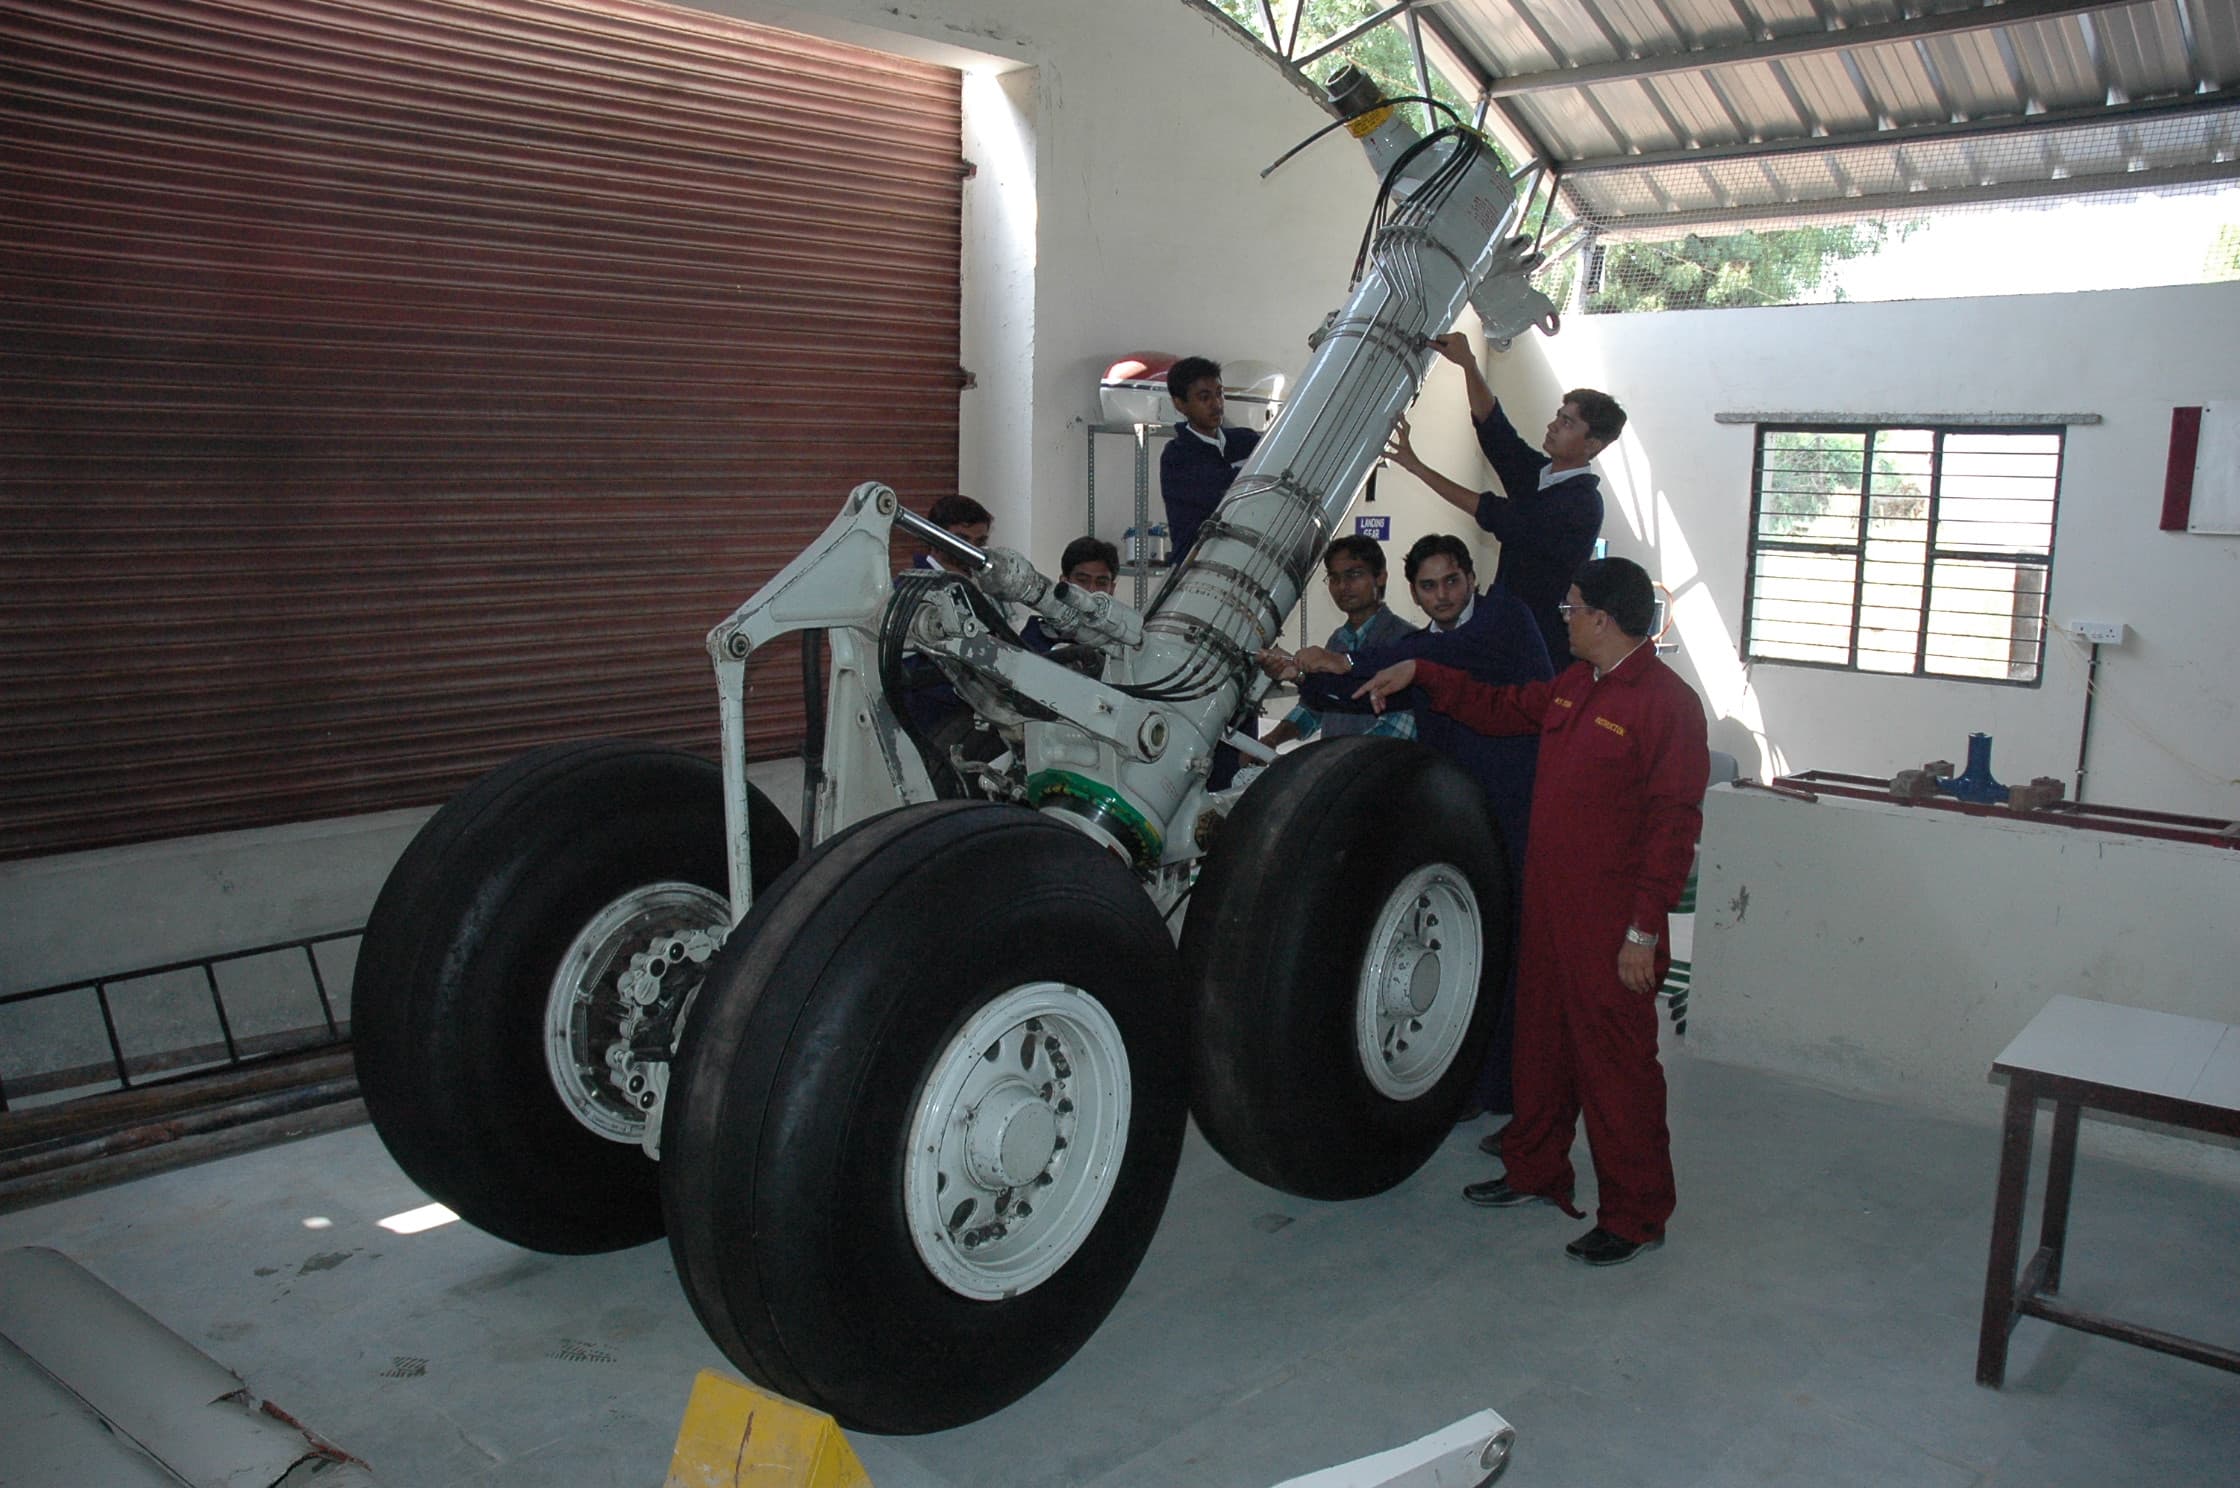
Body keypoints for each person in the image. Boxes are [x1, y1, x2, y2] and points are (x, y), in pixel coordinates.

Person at [1354, 557, 1709, 1268]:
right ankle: (1536, 1169)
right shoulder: (1581, 683)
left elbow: (1675, 827)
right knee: (1540, 1047)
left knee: (1617, 1068)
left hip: (1613, 923)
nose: (1565, 618)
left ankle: (1638, 1213)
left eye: (1572, 608)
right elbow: (1505, 707)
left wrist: (1644, 930)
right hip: (1549, 904)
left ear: (1603, 620)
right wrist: (1423, 673)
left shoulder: (1665, 705)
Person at [1264, 534, 1549, 1121]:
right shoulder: (1421, 647)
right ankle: (1475, 1083)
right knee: (1474, 948)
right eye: (1430, 585)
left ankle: (1520, 1098)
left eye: (1451, 581)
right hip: (1463, 814)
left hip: (1520, 808)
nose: (1442, 595)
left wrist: (1344, 662)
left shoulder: (1502, 621)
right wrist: (1302, 673)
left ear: (1471, 578)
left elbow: (1446, 663)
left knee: (1521, 950)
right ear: (1414, 591)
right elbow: (1376, 691)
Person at [1381, 333, 1624, 668]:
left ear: (1592, 444)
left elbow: (1496, 514)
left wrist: (1418, 467)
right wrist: (1468, 364)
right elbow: (1496, 431)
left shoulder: (1581, 504)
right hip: (1505, 622)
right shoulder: (1541, 474)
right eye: (1558, 415)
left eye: (1567, 422)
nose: (1553, 425)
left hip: (1538, 643)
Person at [1260, 536, 1418, 748]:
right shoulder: (1337, 641)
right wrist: (1273, 738)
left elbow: (1400, 727)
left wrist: (1332, 764)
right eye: (1334, 578)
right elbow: (1314, 708)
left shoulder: (1405, 641)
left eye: (1353, 574)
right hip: (1338, 771)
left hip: (1378, 774)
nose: (1343, 586)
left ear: (1380, 577)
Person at [1159, 356, 1262, 559]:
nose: (1216, 404)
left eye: (1219, 394)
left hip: (1247, 560)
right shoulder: (1176, 456)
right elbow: (1223, 494)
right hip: (1195, 568)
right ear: (1180, 404)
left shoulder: (1246, 441)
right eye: (1204, 397)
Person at [1022, 536, 1119, 656]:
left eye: (1101, 583)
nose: (1091, 590)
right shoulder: (1036, 636)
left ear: (1112, 589)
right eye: (1082, 580)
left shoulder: (1120, 644)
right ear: (1064, 583)